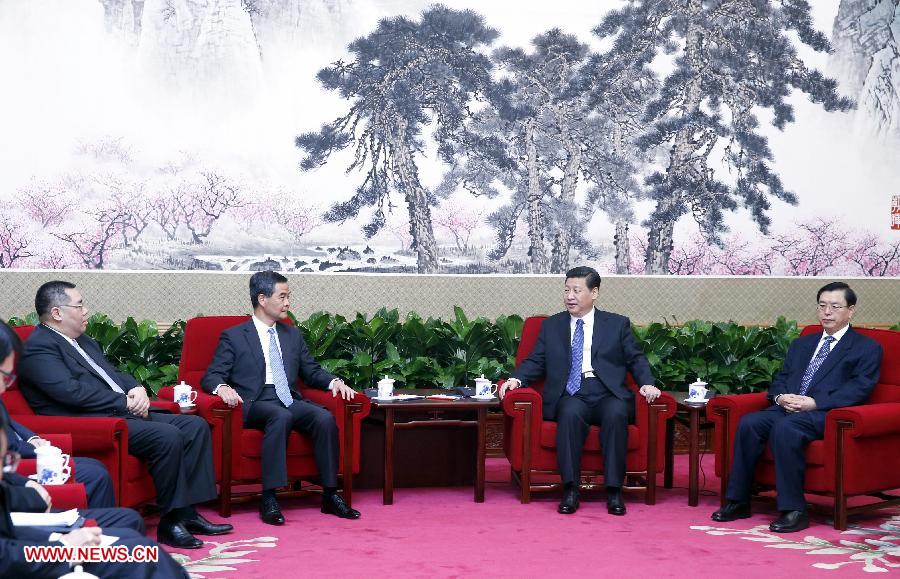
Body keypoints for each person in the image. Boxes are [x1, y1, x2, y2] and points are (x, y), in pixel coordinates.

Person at [17, 281, 233, 549]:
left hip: (117, 411)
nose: (86, 311)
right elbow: (70, 393)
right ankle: (170, 522)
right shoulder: (39, 347)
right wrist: (125, 402)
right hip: (91, 422)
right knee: (166, 435)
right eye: (80, 304)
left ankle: (187, 513)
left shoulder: (82, 340)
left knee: (195, 426)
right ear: (58, 313)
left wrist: (135, 387)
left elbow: (112, 373)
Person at [0, 322, 190, 577]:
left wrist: (23, 486)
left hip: (17, 536)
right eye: (5, 376)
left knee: (133, 533)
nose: (5, 386)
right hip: (24, 554)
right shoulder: (41, 348)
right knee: (144, 555)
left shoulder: (86, 342)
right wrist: (62, 546)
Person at [711, 281, 883, 532]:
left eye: (835, 306)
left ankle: (794, 510)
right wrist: (780, 398)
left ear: (851, 310)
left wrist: (815, 403)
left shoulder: (866, 348)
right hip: (787, 407)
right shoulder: (802, 344)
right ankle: (738, 500)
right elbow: (781, 378)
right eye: (822, 306)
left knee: (786, 427)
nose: (827, 312)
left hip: (827, 413)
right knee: (750, 423)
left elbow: (859, 388)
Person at [499, 266, 661, 516]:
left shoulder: (616, 324)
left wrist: (646, 383)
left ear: (594, 293)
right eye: (566, 290)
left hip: (608, 392)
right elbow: (536, 361)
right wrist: (517, 379)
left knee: (617, 415)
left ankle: (614, 491)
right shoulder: (552, 325)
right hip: (573, 393)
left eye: (576, 290)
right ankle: (571, 489)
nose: (569, 296)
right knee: (570, 414)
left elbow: (636, 359)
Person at [202, 270, 360, 525]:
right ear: (262, 299)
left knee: (323, 418)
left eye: (289, 297)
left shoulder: (291, 335)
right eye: (282, 296)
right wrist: (221, 388)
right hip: (254, 403)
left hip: (287, 398)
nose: (288, 303)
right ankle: (269, 497)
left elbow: (311, 371)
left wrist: (334, 382)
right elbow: (211, 375)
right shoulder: (234, 336)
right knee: (280, 415)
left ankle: (330, 495)